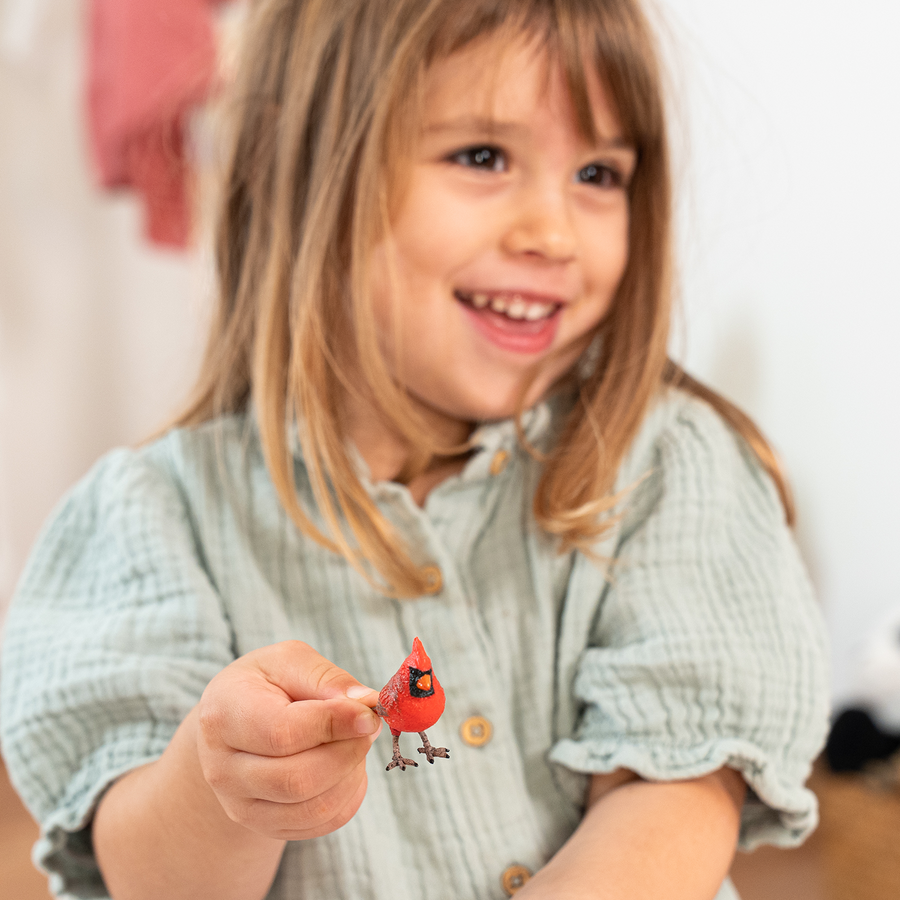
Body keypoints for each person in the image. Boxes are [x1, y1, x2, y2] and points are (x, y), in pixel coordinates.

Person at [0, 1, 829, 898]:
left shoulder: (670, 468)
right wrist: (224, 787)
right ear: (301, 166)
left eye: (599, 172)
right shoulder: (155, 519)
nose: (552, 233)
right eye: (482, 157)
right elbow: (151, 881)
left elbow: (674, 801)